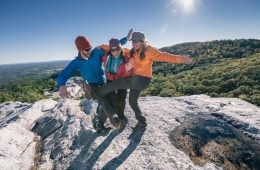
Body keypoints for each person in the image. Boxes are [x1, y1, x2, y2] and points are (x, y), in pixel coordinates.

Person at [94, 31, 193, 131]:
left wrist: (182, 59)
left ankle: (98, 92)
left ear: (142, 42)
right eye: (133, 42)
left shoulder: (149, 50)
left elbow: (164, 56)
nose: (134, 44)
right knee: (132, 102)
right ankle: (142, 122)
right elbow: (119, 48)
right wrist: (103, 46)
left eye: (137, 42)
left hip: (143, 79)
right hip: (135, 80)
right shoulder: (132, 51)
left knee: (120, 82)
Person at [56, 32, 131, 132]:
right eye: (87, 50)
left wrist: (125, 39)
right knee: (103, 98)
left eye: (90, 48)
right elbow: (64, 73)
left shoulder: (96, 52)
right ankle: (115, 121)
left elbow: (113, 47)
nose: (90, 51)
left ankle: (100, 125)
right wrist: (61, 85)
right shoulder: (77, 62)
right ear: (80, 50)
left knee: (111, 101)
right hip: (92, 86)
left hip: (105, 83)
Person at [96, 38, 133, 130]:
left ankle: (120, 120)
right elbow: (106, 47)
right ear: (110, 50)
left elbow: (127, 74)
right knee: (110, 102)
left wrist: (128, 70)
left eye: (117, 49)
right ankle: (100, 124)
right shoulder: (106, 57)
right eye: (113, 50)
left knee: (121, 100)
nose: (115, 52)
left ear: (121, 49)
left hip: (121, 82)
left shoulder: (126, 59)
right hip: (110, 80)